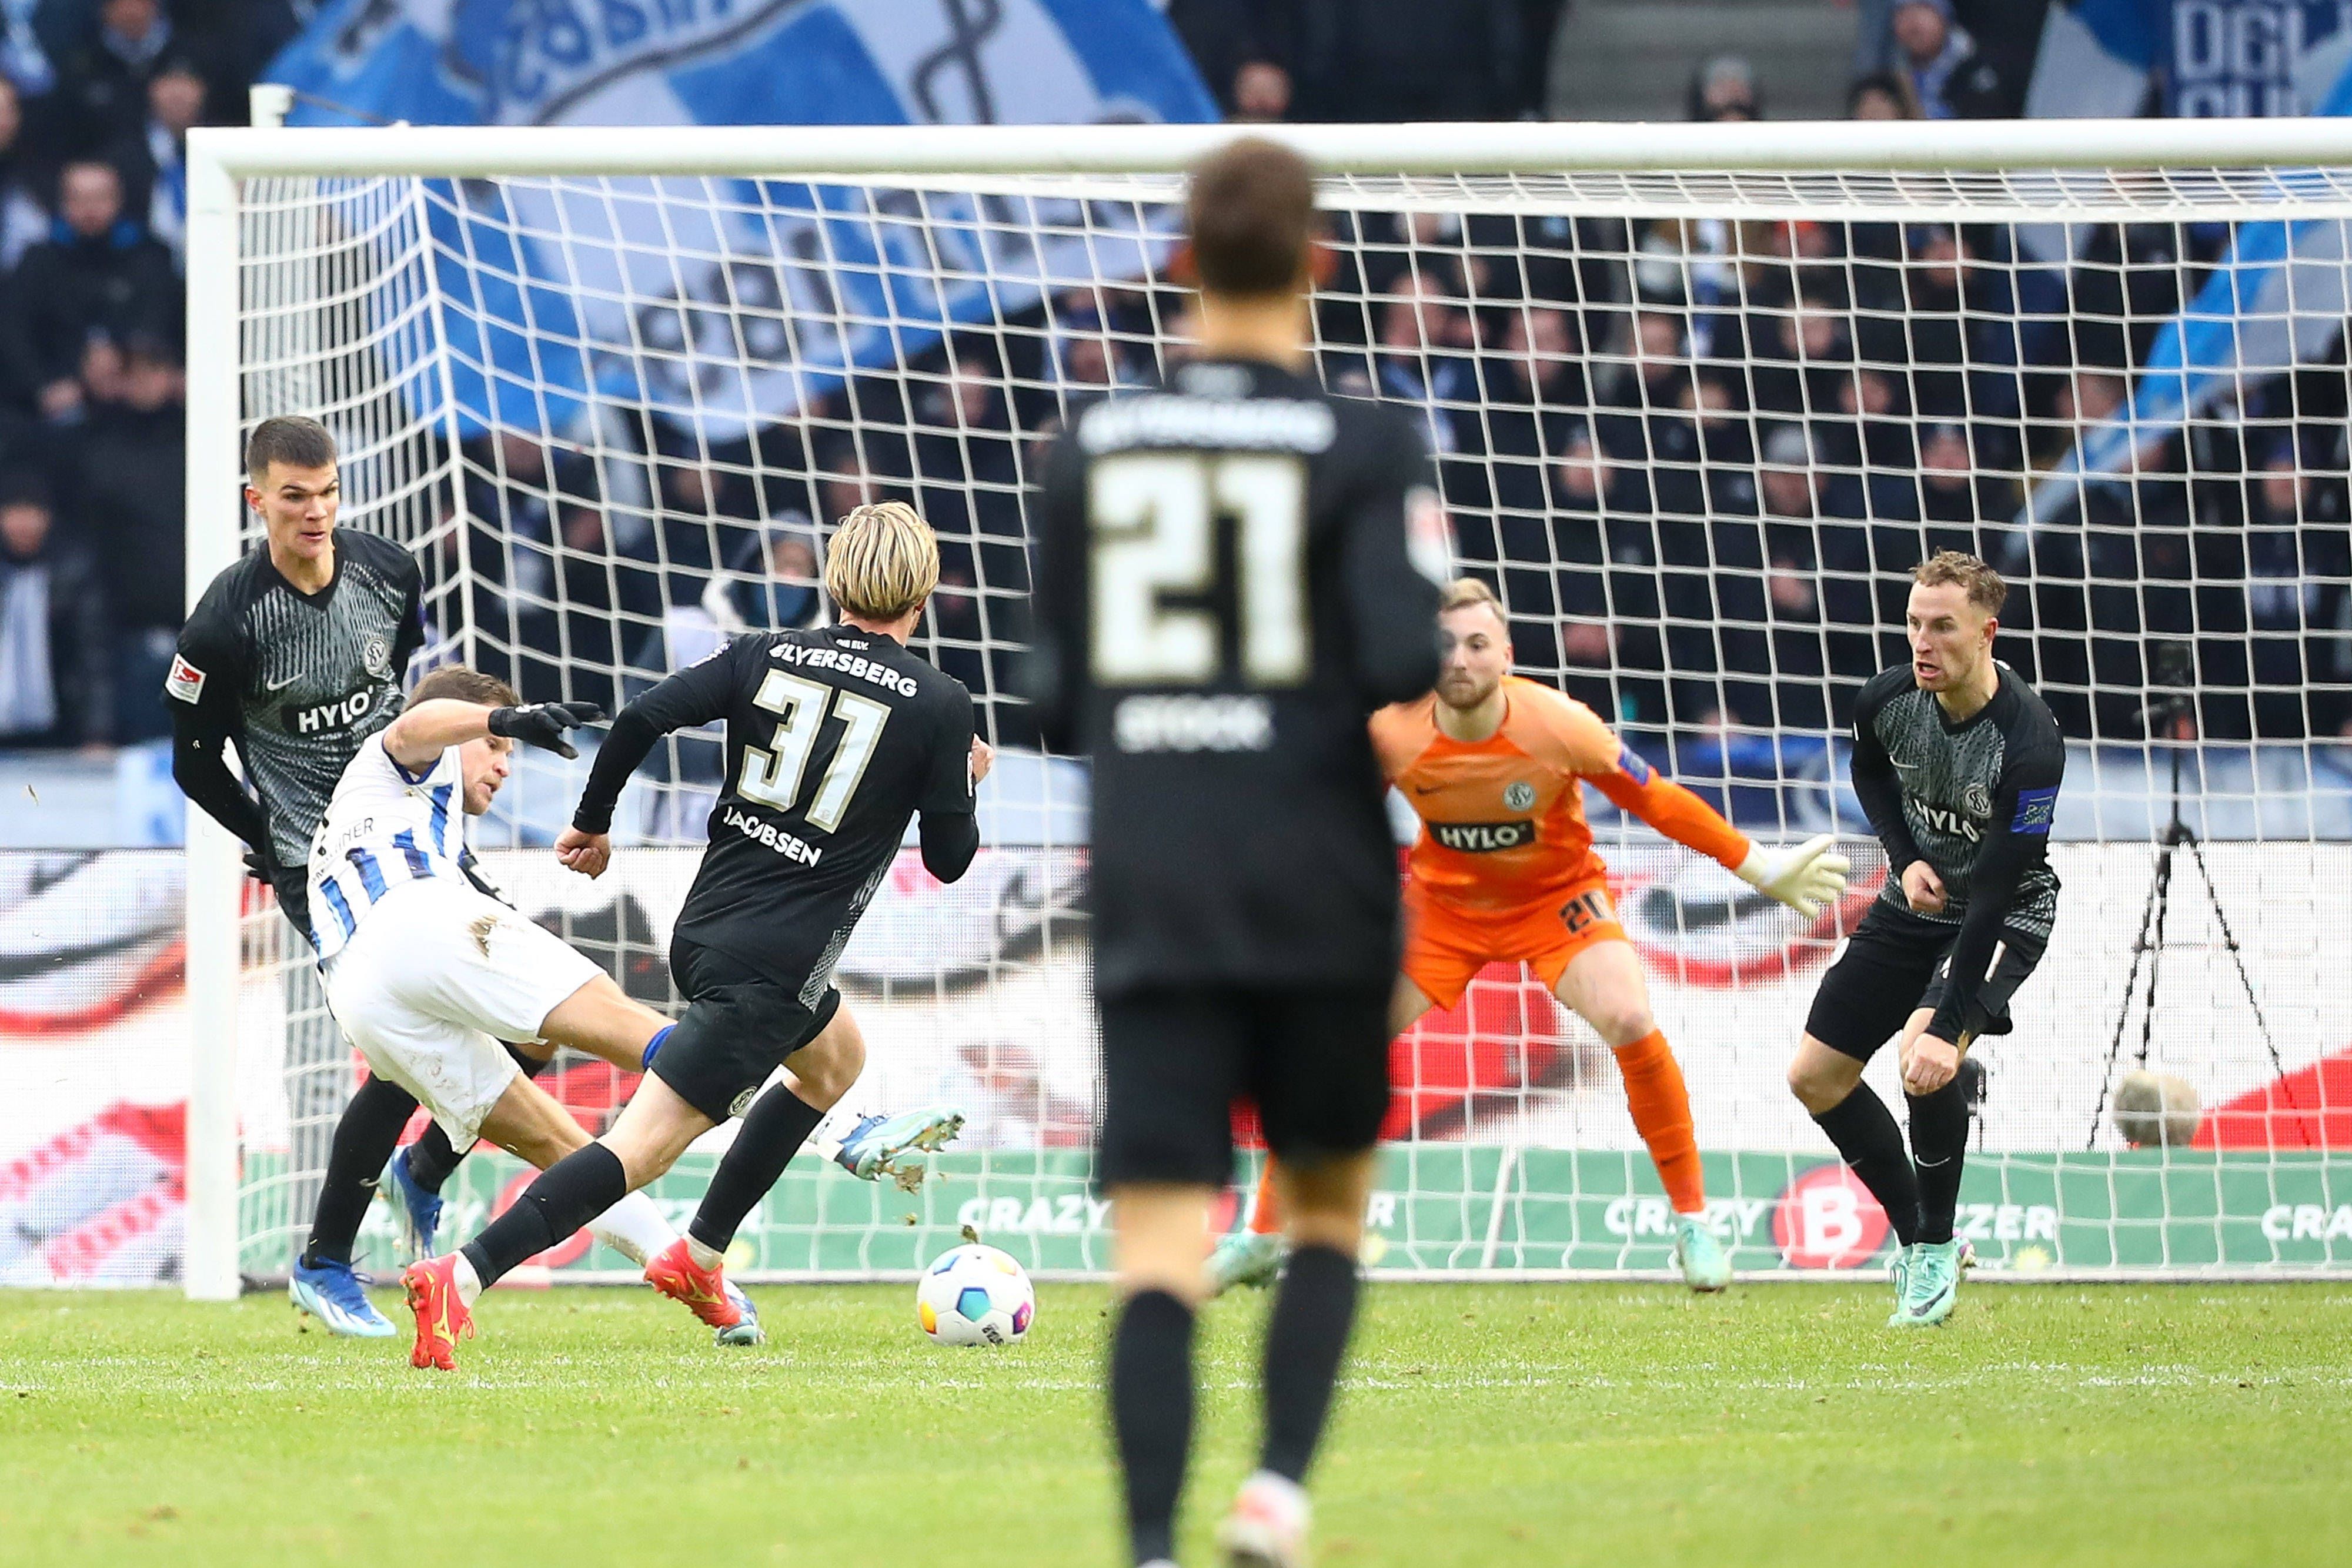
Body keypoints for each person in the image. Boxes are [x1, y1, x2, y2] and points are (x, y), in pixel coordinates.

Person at [1027, 135, 1444, 1568]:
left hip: (1156, 879)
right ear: (1319, 265)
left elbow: (1053, 698)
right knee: (1325, 1207)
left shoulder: (1087, 442)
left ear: (1180, 265)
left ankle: (1148, 1545)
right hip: (1321, 880)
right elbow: (1403, 654)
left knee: (1158, 1247)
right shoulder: (1371, 442)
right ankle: (1272, 1491)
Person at [400, 501, 981, 1371]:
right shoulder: (940, 702)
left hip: (705, 928)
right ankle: (465, 1273)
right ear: (924, 594)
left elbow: (639, 717)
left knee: (834, 1061)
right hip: (778, 965)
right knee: (635, 1151)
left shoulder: (763, 652)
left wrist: (593, 824)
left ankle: (701, 1254)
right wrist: (965, 777)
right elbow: (948, 859)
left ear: (831, 580)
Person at [1209, 579, 1850, 1297]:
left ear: (1505, 655)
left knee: (1631, 1018)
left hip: (1557, 902)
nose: (1459, 659)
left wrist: (1759, 867)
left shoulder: (1560, 726)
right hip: (1442, 915)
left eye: (1477, 644)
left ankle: (1694, 1223)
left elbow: (1657, 800)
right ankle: (1262, 1237)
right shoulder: (1392, 731)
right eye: (1444, 645)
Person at [305, 665, 773, 1343]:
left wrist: (498, 732)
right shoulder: (403, 759)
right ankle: (836, 1124)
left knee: (560, 1142)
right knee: (641, 1032)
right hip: (408, 924)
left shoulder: (424, 835)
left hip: (359, 996)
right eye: (496, 751)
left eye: (509, 754)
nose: (503, 767)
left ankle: (705, 1287)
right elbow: (414, 726)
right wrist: (500, 719)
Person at [1787, 551, 2063, 1328]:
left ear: (1987, 632)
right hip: (1914, 905)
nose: (1923, 642)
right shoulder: (1888, 697)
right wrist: (1904, 859)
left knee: (1925, 1061)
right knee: (1814, 1076)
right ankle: (1920, 1236)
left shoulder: (2030, 742)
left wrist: (1948, 1026)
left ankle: (1935, 1248)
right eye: (1914, 622)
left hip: (2002, 916)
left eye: (1943, 626)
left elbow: (2000, 889)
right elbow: (1869, 774)